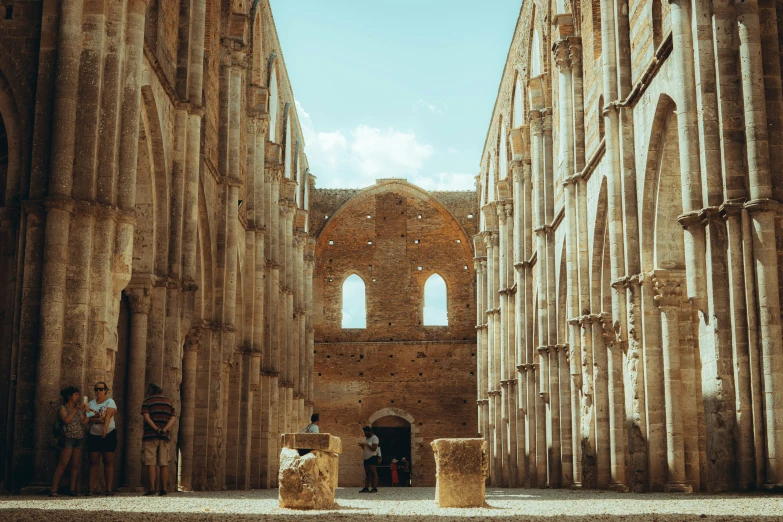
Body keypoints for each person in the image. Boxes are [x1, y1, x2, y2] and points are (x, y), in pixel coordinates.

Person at [50, 386, 90, 497]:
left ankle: (72, 489)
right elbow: (66, 420)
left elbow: (84, 422)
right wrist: (76, 410)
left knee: (75, 465)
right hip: (68, 438)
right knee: (63, 463)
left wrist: (87, 412)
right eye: (76, 394)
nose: (78, 397)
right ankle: (53, 489)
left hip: (78, 438)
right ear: (69, 396)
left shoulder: (78, 410)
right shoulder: (62, 408)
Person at [141, 383, 176, 496]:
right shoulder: (169, 402)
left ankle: (151, 489)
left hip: (150, 435)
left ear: (150, 391)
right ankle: (164, 489)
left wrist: (156, 429)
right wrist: (164, 429)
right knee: (163, 463)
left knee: (151, 462)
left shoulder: (147, 401)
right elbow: (173, 419)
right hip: (164, 436)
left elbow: (147, 418)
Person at [86, 382, 117, 496]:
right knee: (93, 462)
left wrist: (104, 428)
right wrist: (98, 420)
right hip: (94, 434)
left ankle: (108, 489)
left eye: (100, 389)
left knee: (108, 461)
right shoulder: (91, 403)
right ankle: (90, 489)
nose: (98, 391)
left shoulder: (110, 402)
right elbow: (87, 419)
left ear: (105, 391)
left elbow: (108, 415)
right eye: (96, 389)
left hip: (109, 433)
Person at [358, 426, 380, 493]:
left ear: (370, 431)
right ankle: (366, 488)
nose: (365, 433)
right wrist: (363, 446)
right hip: (366, 458)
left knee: (374, 473)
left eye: (365, 432)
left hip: (372, 457)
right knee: (367, 474)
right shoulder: (367, 438)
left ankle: (374, 488)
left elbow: (374, 448)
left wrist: (366, 444)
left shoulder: (374, 438)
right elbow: (366, 449)